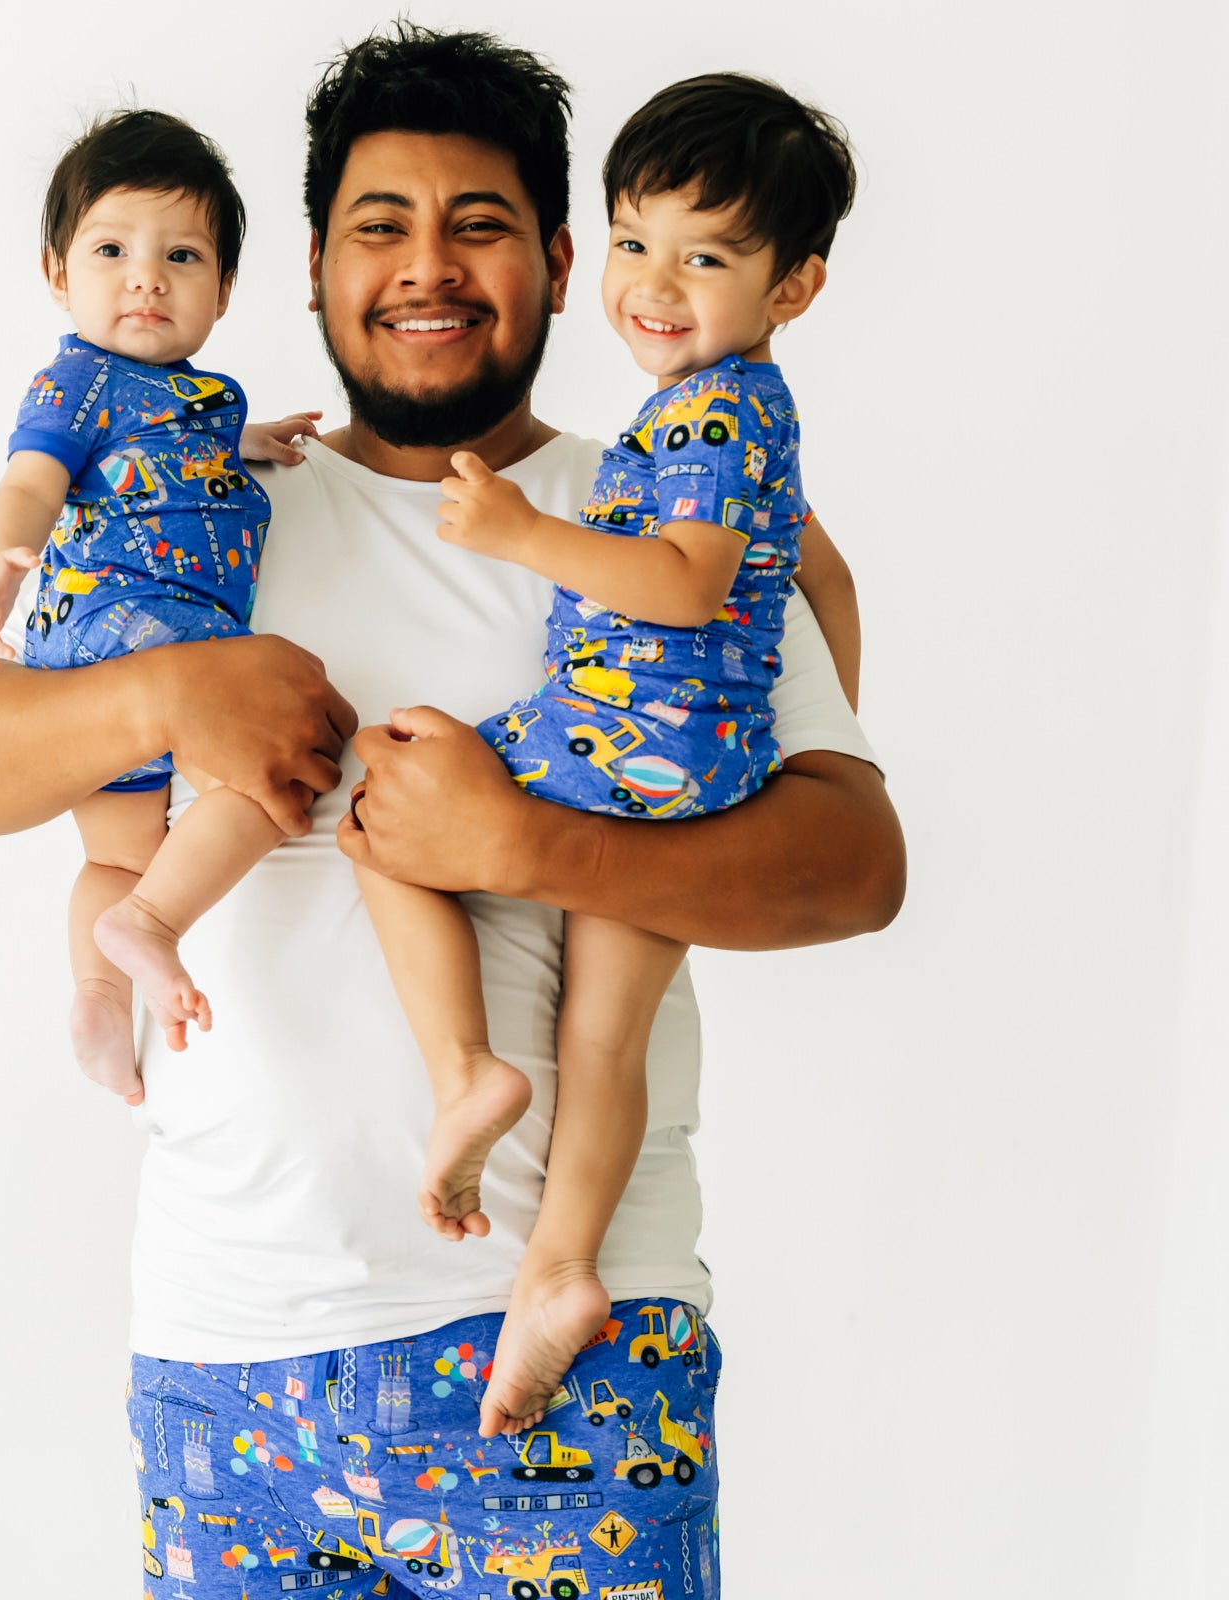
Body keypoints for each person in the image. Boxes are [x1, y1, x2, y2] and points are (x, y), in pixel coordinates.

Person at [0, 24, 904, 1596]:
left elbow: (854, 865)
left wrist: (526, 847)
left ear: (565, 263)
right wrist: (172, 695)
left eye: (480, 225)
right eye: (381, 225)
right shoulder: (210, 500)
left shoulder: (642, 507)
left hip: (557, 1353)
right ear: (307, 269)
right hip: (220, 1366)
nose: (427, 267)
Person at [356, 72, 863, 1437]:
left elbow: (688, 582)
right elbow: (818, 580)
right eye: (638, 241)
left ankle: (466, 1068)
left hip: (618, 732)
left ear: (793, 286)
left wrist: (523, 536)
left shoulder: (712, 415)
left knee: (392, 790)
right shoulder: (726, 414)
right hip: (687, 755)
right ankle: (559, 1274)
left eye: (707, 257)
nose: (657, 282)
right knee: (607, 1031)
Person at [0, 110, 320, 1104]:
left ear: (224, 288)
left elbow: (170, 452)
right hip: (146, 643)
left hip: (109, 666)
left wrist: (249, 441)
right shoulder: (73, 380)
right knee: (270, 780)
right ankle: (149, 927)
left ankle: (95, 991)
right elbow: (30, 482)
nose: (145, 278)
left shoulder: (203, 399)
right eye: (111, 249)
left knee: (118, 850)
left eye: (182, 255)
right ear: (56, 273)